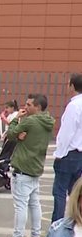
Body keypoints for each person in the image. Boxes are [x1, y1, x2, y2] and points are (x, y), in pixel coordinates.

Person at [0, 93, 55, 237]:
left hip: (23, 167)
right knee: (34, 203)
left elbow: (12, 134)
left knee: (20, 205)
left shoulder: (30, 122)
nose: (25, 107)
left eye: (29, 105)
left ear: (38, 107)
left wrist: (16, 119)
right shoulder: (48, 121)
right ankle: (34, 236)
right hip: (36, 166)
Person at [51, 74, 82, 222]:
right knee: (76, 193)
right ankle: (76, 225)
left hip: (69, 154)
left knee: (59, 192)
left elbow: (66, 133)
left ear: (72, 86)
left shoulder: (73, 106)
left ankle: (57, 226)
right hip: (80, 155)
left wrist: (59, 154)